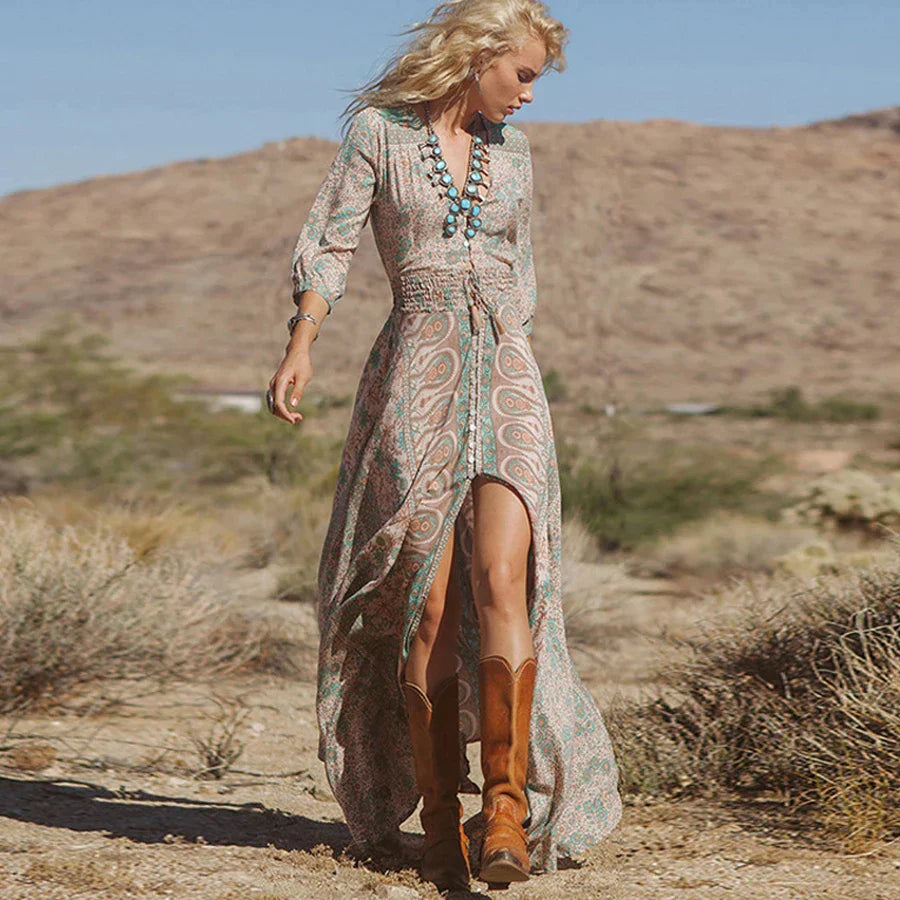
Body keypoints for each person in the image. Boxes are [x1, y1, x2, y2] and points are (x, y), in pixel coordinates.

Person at [267, 0, 621, 890]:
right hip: (415, 369)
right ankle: (436, 823)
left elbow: (521, 266)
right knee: (426, 596)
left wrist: (504, 339)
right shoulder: (378, 136)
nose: (530, 95)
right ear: (478, 55)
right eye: (524, 74)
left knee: (505, 575)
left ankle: (503, 813)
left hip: (505, 367)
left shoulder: (516, 153)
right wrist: (303, 342)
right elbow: (331, 241)